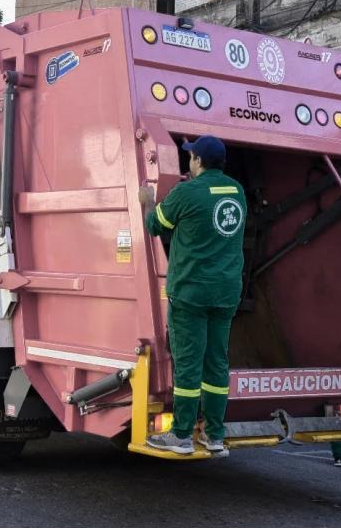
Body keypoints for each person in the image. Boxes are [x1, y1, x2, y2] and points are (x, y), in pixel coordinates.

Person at [140, 136, 246, 456]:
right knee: (216, 365)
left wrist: (148, 199)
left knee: (188, 365)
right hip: (226, 293)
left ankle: (182, 435)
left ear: (198, 161)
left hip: (191, 293)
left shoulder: (187, 193)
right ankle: (214, 435)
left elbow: (154, 225)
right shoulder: (236, 191)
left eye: (191, 157)